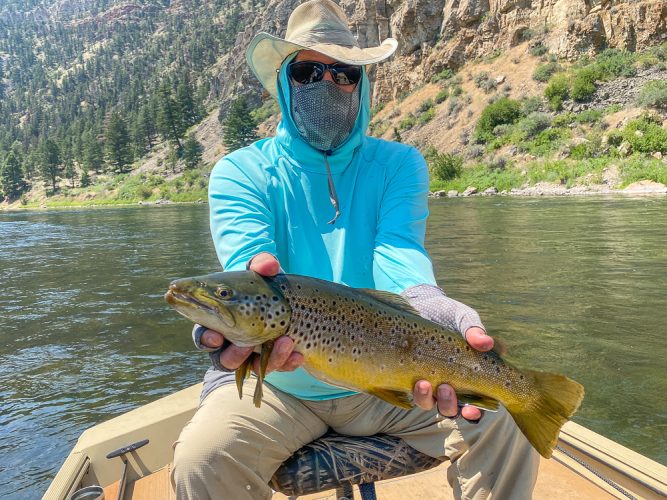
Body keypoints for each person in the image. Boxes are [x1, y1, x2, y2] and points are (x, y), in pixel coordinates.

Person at [171, 1, 539, 498]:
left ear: (362, 84)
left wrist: (427, 301)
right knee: (202, 460)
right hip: (279, 387)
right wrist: (224, 324)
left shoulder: (398, 164)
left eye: (343, 72)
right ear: (284, 83)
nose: (326, 82)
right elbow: (248, 266)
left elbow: (398, 253)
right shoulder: (240, 172)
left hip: (391, 376)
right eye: (307, 71)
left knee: (504, 423)